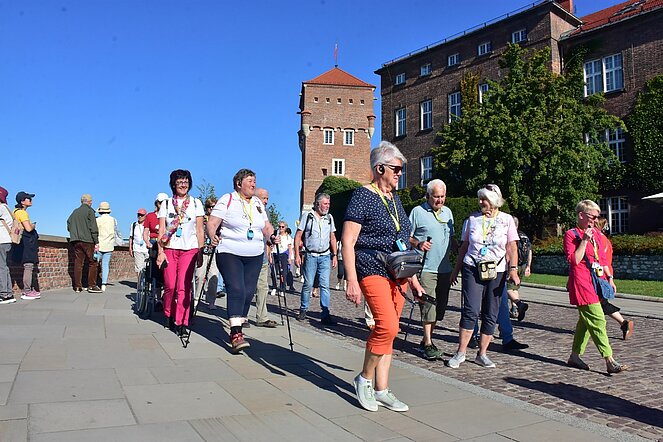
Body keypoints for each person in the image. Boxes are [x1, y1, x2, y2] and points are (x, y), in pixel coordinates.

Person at [343, 141, 426, 413]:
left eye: (401, 169)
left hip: (398, 273)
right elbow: (348, 240)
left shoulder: (394, 199)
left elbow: (402, 241)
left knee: (390, 333)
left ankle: (382, 389)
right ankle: (364, 379)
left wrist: (414, 280)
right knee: (387, 326)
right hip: (372, 268)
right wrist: (351, 280)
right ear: (380, 168)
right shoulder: (362, 196)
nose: (400, 173)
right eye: (396, 169)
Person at [448, 184, 520, 369]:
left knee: (491, 312)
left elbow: (512, 247)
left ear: (494, 201)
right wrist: (456, 270)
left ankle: (482, 354)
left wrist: (513, 269)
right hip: (472, 268)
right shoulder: (472, 220)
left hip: (497, 270)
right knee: (470, 310)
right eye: (480, 199)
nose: (480, 202)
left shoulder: (507, 220)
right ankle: (461, 352)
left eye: (484, 199)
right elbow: (464, 247)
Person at [206, 169, 275, 353]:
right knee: (236, 288)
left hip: (255, 254)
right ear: (238, 184)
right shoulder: (227, 199)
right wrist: (212, 236)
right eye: (250, 181)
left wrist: (271, 236)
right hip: (230, 251)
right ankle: (236, 334)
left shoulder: (258, 203)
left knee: (248, 291)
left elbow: (266, 226)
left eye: (254, 180)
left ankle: (239, 322)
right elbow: (212, 223)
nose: (253, 184)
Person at [564, 200, 628, 374]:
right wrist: (584, 241)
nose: (596, 220)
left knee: (585, 322)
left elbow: (603, 260)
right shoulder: (571, 235)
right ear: (581, 215)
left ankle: (574, 356)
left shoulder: (598, 235)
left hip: (596, 282)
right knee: (598, 319)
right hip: (581, 283)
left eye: (598, 217)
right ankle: (609, 360)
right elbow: (574, 260)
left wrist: (610, 278)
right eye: (593, 216)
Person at [408, 179, 457, 360]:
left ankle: (425, 340)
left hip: (445, 268)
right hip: (426, 267)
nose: (440, 200)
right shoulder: (417, 212)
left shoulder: (448, 212)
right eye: (436, 197)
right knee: (429, 306)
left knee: (440, 308)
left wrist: (460, 250)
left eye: (442, 196)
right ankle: (428, 343)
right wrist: (418, 243)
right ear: (428, 195)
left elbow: (451, 237)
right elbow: (406, 236)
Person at [156, 170, 205, 335]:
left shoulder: (196, 203)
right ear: (173, 185)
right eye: (179, 182)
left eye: (186, 182)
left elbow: (200, 230)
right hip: (170, 248)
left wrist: (200, 252)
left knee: (183, 287)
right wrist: (160, 252)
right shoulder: (166, 204)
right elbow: (161, 230)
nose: (183, 185)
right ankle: (168, 313)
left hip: (189, 249)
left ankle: (182, 321)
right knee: (170, 286)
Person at [294, 193, 338, 325]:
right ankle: (303, 309)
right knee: (308, 284)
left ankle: (325, 314)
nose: (327, 206)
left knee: (325, 285)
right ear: (318, 204)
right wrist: (297, 255)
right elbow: (298, 236)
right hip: (310, 255)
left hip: (325, 255)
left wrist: (335, 255)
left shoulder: (329, 218)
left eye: (328, 204)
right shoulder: (307, 216)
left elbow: (332, 237)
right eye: (325, 204)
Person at [596, 216, 634, 340]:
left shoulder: (599, 239)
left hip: (599, 275)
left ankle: (623, 323)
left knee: (597, 303)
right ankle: (623, 324)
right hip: (605, 274)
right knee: (598, 303)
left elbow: (599, 259)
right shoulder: (606, 240)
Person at [253, 188, 278, 327]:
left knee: (263, 286)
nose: (266, 201)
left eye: (267, 198)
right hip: (248, 254)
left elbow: (267, 231)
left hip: (262, 254)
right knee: (247, 287)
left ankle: (262, 317)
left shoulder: (265, 212)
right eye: (264, 198)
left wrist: (272, 239)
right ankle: (241, 317)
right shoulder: (248, 209)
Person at [67, 194, 102, 293]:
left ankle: (77, 286)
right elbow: (93, 228)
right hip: (88, 240)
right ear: (90, 202)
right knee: (93, 262)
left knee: (78, 263)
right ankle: (92, 285)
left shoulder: (75, 212)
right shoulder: (90, 211)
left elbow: (68, 224)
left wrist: (74, 233)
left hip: (76, 240)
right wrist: (96, 241)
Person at [194, 197, 222, 310]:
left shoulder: (220, 221)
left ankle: (211, 300)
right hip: (202, 250)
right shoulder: (202, 219)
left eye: (213, 207)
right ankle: (196, 298)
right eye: (209, 207)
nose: (211, 209)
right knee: (199, 275)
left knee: (213, 277)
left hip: (214, 251)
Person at [13, 191, 40, 299]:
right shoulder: (22, 213)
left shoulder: (15, 211)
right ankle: (27, 291)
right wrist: (33, 225)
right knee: (28, 266)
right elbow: (28, 228)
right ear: (22, 201)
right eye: (29, 198)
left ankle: (28, 290)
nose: (31, 200)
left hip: (20, 241)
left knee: (26, 265)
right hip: (26, 242)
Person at [507, 216, 531, 321]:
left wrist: (510, 267)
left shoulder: (511, 236)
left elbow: (510, 252)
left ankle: (519, 304)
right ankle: (515, 309)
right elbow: (529, 251)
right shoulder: (524, 236)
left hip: (513, 265)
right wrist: (528, 266)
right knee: (514, 288)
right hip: (523, 265)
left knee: (506, 288)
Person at [95, 202, 118, 292]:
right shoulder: (113, 220)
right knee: (105, 265)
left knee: (95, 264)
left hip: (99, 244)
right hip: (109, 245)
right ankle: (103, 284)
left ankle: (93, 282)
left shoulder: (97, 220)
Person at [0, 186, 16, 304]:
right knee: (5, 267)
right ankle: (8, 293)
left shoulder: (1, 208)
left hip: (1, 241)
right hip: (8, 241)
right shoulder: (6, 208)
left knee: (2, 268)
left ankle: (4, 294)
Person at [273, 221, 294, 292]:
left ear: (285, 228)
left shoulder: (288, 237)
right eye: (279, 227)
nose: (281, 228)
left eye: (282, 227)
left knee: (283, 273)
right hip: (275, 253)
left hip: (284, 254)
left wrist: (289, 258)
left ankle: (282, 288)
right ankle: (274, 287)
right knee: (274, 272)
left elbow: (290, 248)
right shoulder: (276, 235)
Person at [129, 208, 148, 276]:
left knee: (148, 268)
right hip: (137, 249)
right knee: (138, 268)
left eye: (142, 215)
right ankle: (140, 281)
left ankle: (146, 281)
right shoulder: (134, 225)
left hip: (147, 249)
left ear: (145, 216)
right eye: (138, 215)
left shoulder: (148, 224)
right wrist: (130, 248)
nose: (140, 216)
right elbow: (131, 237)